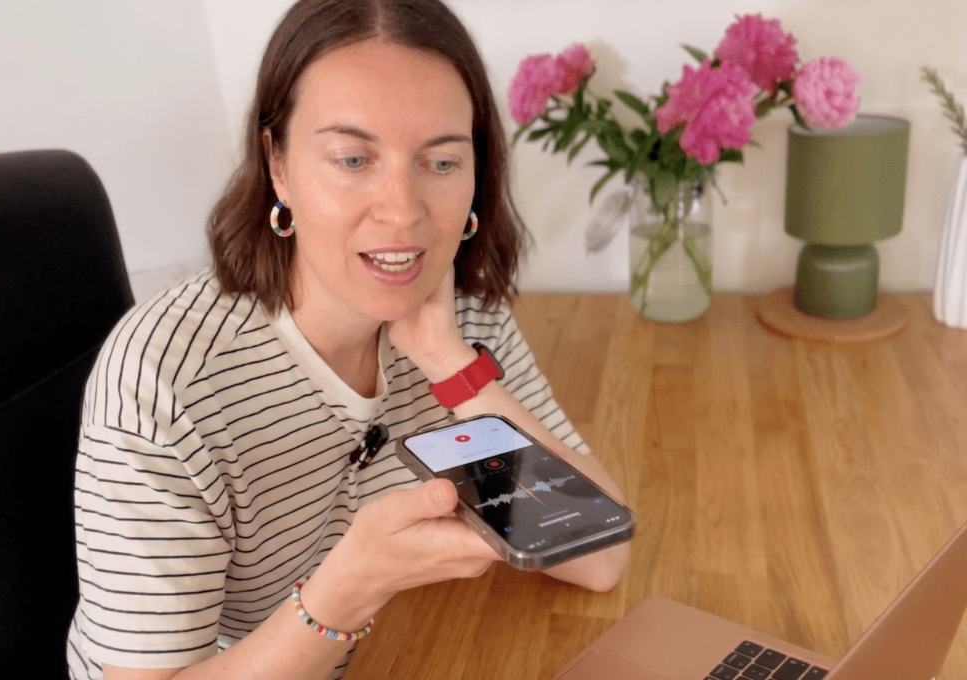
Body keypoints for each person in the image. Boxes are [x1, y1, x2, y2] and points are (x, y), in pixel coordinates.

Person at [66, 1, 630, 678]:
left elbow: (599, 556)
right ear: (277, 165)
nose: (403, 211)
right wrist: (347, 588)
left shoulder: (461, 314)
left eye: (442, 162)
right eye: (354, 158)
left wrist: (452, 367)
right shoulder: (164, 383)